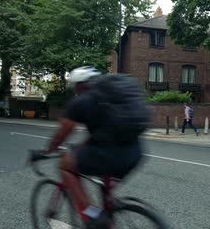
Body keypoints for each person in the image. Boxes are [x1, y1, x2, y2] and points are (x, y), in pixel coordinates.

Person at [45, 66, 144, 228]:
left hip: (108, 156)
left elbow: (61, 134)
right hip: (135, 153)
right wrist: (81, 147)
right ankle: (109, 210)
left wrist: (47, 150)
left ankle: (91, 215)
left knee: (65, 166)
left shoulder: (80, 102)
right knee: (105, 185)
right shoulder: (114, 98)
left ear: (79, 85)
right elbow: (103, 133)